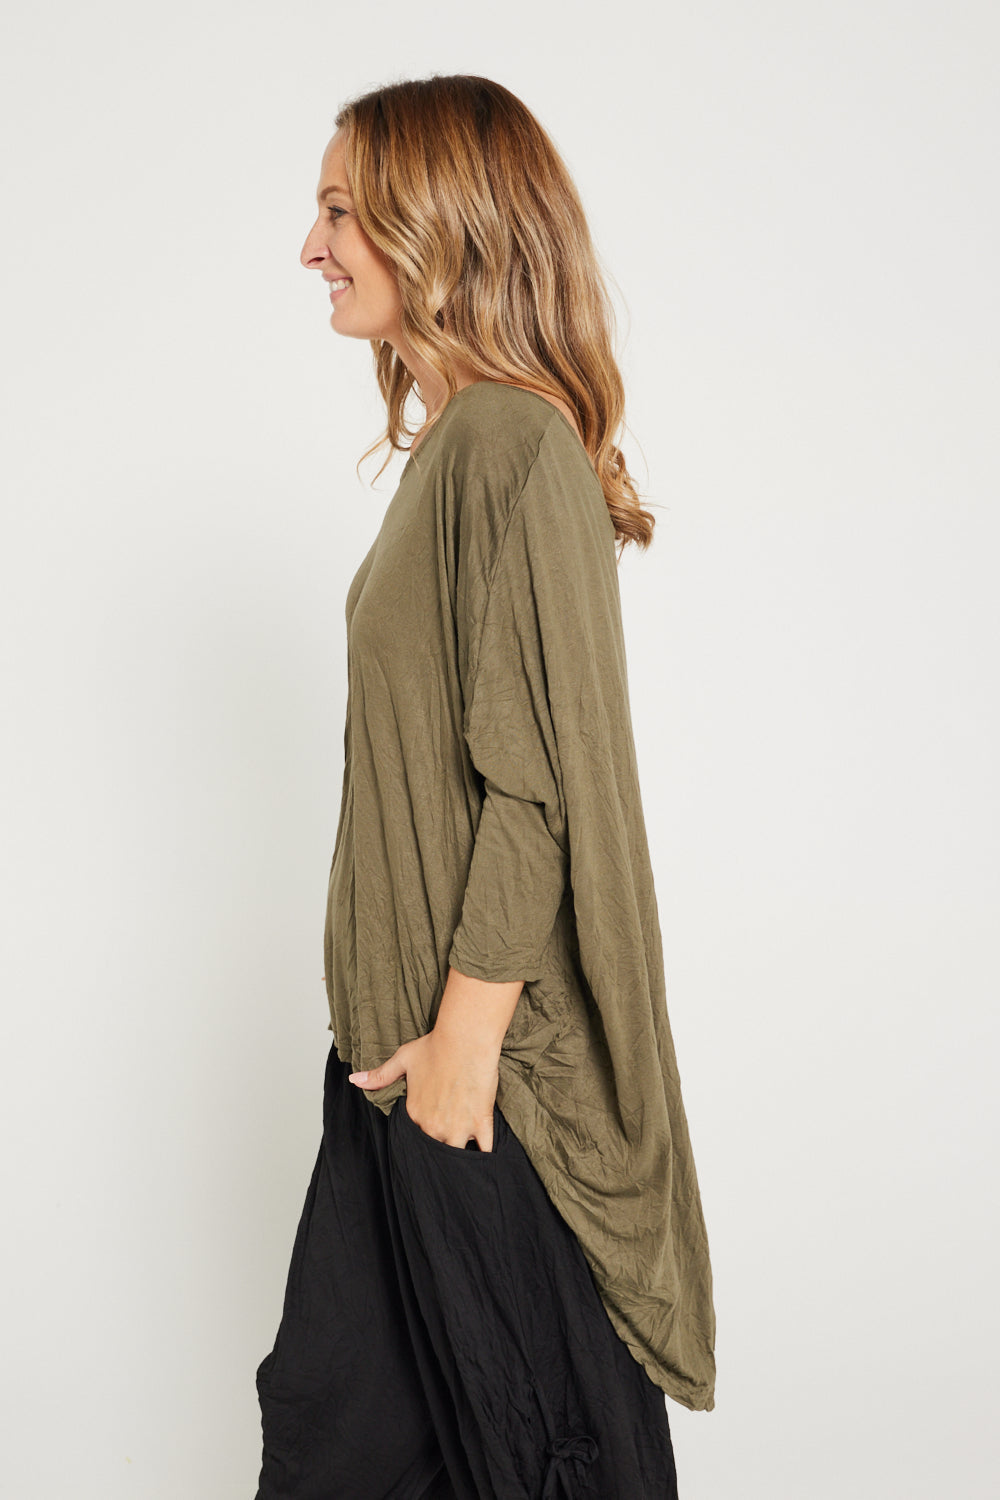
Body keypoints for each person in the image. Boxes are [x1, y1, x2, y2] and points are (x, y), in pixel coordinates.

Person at [254, 74, 716, 1500]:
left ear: (436, 221)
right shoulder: (457, 452)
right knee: (343, 1443)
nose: (312, 246)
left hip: (473, 1081)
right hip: (399, 1072)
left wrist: (463, 1046)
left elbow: (533, 792)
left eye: (342, 211)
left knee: (539, 1462)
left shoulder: (509, 443)